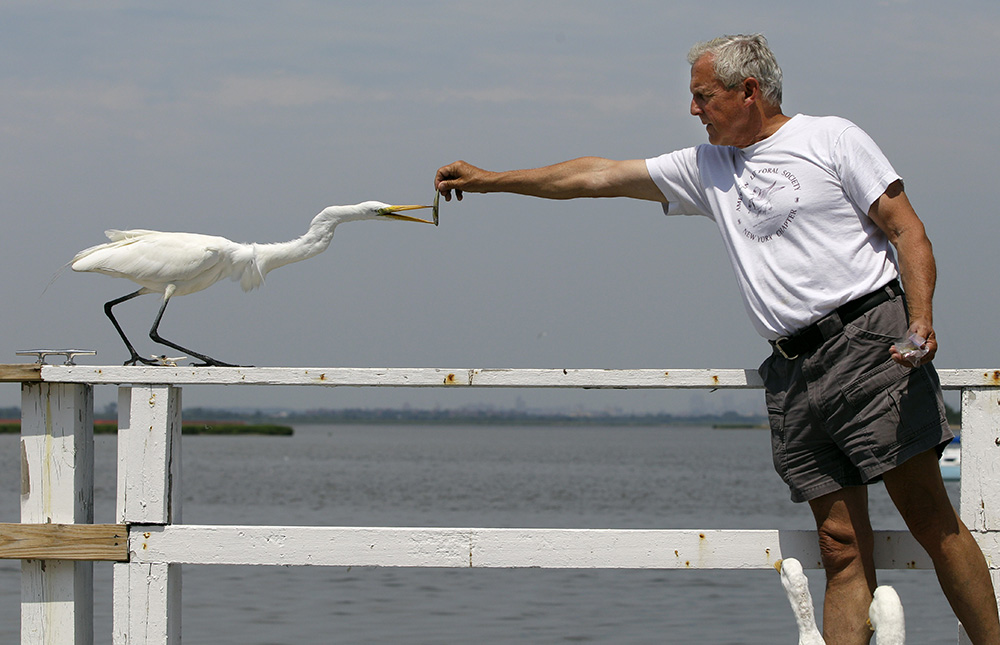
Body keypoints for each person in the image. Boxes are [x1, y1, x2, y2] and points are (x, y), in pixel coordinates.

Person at [434, 34, 1000, 644]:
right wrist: (491, 179)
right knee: (838, 548)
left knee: (928, 518)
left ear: (747, 91)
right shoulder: (708, 168)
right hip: (792, 372)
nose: (694, 110)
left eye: (703, 97)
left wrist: (921, 322)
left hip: (870, 343)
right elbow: (595, 175)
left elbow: (908, 231)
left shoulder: (832, 139)